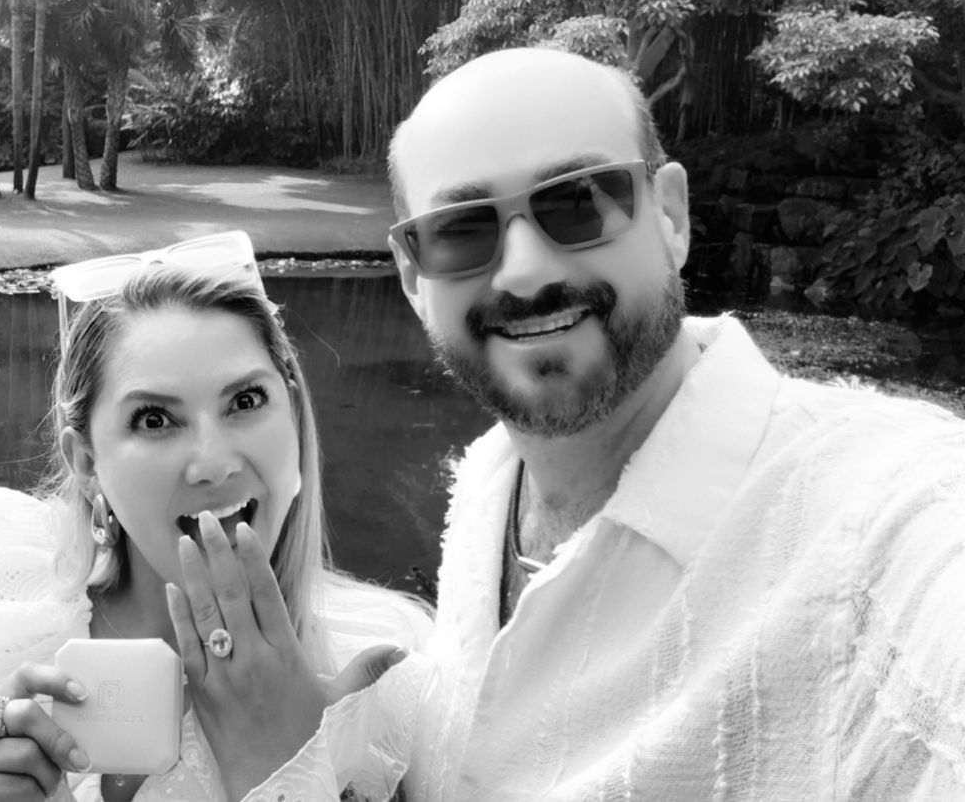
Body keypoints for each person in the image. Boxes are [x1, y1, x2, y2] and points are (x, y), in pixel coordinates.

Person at [234, 47, 965, 799]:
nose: (525, 271)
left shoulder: (879, 526)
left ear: (671, 215)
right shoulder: (491, 476)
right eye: (461, 229)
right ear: (414, 277)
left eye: (580, 201)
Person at [0, 230, 433, 802]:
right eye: (154, 419)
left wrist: (286, 774)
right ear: (88, 462)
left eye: (245, 401)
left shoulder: (384, 669)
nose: (212, 463)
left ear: (292, 416)